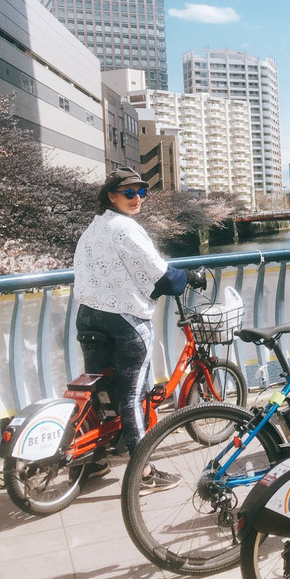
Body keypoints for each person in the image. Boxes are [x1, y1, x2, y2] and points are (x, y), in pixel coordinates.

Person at [72, 167, 205, 491]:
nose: (137, 199)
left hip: (89, 316)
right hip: (124, 320)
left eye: (141, 192)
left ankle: (92, 461)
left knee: (100, 393)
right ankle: (142, 472)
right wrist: (190, 277)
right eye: (129, 193)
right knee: (131, 397)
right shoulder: (125, 228)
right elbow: (162, 275)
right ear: (111, 196)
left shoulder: (92, 229)